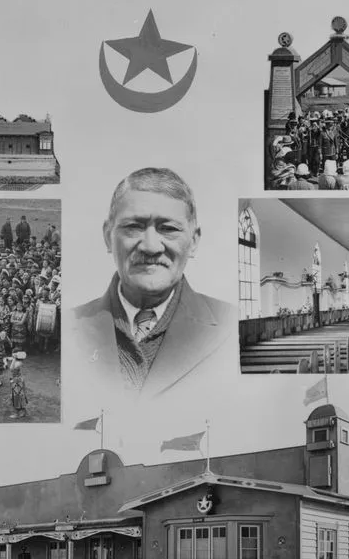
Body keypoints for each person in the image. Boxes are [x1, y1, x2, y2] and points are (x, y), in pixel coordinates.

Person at [68, 167, 236, 401]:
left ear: (194, 241)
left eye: (168, 229)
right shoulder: (68, 328)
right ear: (108, 236)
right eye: (133, 227)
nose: (150, 246)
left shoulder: (232, 329)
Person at [7, 352, 28, 420]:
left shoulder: (18, 363)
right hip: (17, 381)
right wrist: (11, 358)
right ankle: (24, 411)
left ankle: (16, 413)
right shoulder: (18, 361)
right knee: (18, 396)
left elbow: (11, 368)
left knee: (16, 397)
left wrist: (13, 359)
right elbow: (9, 359)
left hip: (17, 382)